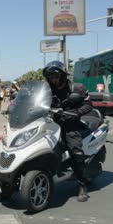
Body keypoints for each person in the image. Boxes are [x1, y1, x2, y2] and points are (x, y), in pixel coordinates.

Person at [42, 61, 93, 202]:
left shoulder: (76, 88)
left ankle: (82, 185)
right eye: (50, 76)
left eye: (56, 76)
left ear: (63, 75)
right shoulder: (46, 90)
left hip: (69, 123)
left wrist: (77, 112)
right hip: (50, 123)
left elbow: (88, 104)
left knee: (76, 152)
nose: (53, 79)